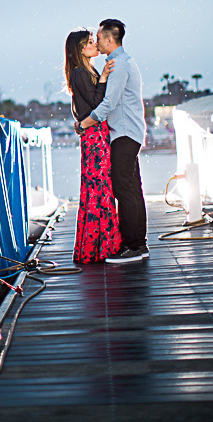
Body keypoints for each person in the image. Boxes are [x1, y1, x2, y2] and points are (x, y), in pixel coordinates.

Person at [77, 18, 149, 263]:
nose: (96, 41)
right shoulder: (122, 62)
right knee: (133, 189)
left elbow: (109, 102)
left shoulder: (118, 64)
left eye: (98, 37)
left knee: (123, 189)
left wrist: (84, 123)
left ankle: (132, 246)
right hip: (130, 133)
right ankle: (139, 244)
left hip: (124, 134)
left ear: (109, 39)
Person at [64, 29, 121, 263]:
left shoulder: (88, 70)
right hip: (94, 135)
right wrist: (105, 78)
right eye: (89, 42)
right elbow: (96, 104)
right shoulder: (80, 72)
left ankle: (100, 245)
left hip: (96, 133)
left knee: (100, 188)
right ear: (79, 49)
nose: (94, 44)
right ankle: (98, 247)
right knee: (98, 188)